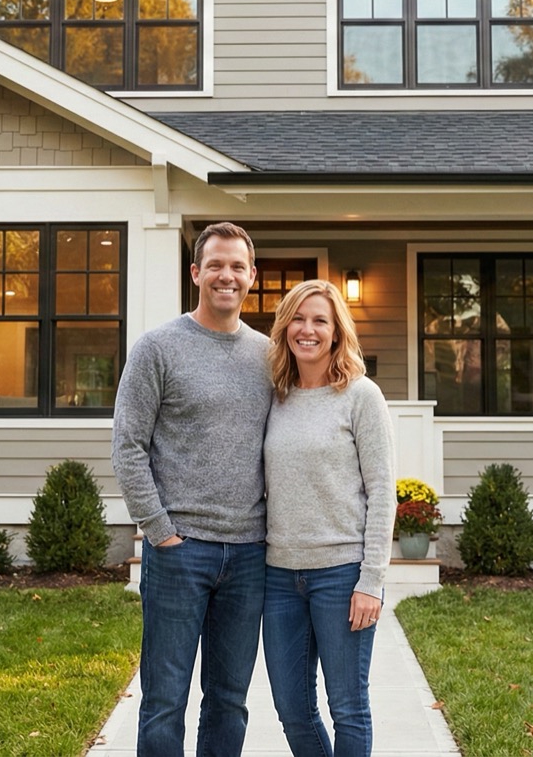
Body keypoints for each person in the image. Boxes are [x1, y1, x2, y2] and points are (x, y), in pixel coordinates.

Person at [111, 221, 273, 757]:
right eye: (216, 265)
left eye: (237, 266)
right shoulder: (157, 348)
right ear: (196, 272)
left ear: (252, 276)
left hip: (249, 554)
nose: (226, 275)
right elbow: (128, 445)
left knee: (229, 699)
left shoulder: (269, 356)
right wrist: (159, 532)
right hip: (180, 551)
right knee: (164, 698)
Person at [261, 279, 395, 757]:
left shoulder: (362, 396)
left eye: (320, 320)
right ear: (284, 328)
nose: (308, 329)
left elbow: (382, 491)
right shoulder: (274, 396)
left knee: (348, 708)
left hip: (341, 576)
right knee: (292, 708)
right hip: (279, 577)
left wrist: (371, 580)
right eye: (298, 318)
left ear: (337, 332)